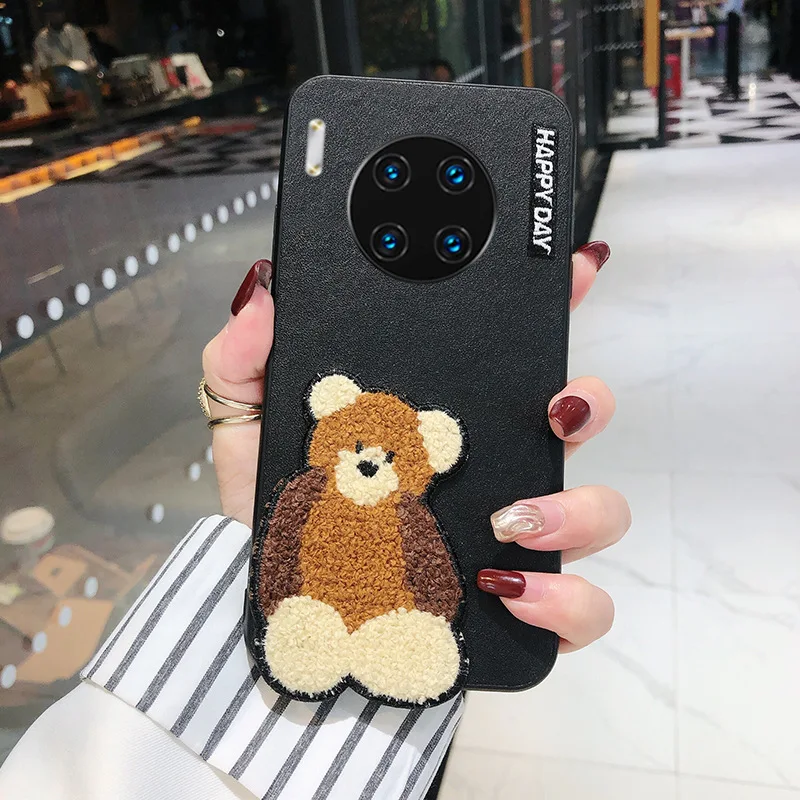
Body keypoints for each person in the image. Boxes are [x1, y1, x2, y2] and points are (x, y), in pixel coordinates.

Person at [0, 243, 627, 799]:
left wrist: (439, 609)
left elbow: (431, 567)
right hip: (297, 626)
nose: (372, 463)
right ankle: (324, 637)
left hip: (368, 634)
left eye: (389, 456)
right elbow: (280, 549)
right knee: (307, 624)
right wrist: (264, 589)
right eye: (360, 447)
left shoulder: (408, 512)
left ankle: (391, 643)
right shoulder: (304, 489)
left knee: (402, 631)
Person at [32, 0, 96, 74]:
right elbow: (41, 66)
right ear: (47, 15)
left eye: (59, 12)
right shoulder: (41, 39)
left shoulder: (75, 32)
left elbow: (84, 58)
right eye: (52, 13)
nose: (56, 16)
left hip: (82, 75)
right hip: (57, 77)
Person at [720, 0, 743, 99]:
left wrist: (722, 9)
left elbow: (730, 5)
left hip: (734, 16)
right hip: (731, 15)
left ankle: (734, 86)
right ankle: (730, 82)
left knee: (733, 52)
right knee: (730, 51)